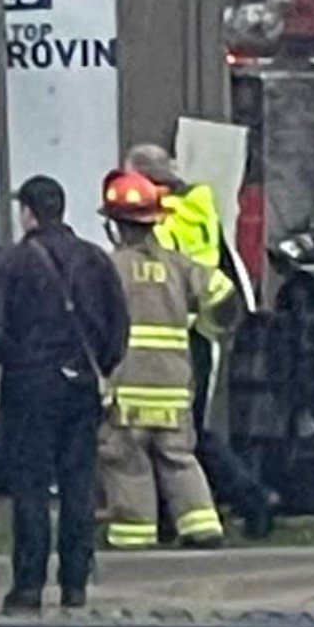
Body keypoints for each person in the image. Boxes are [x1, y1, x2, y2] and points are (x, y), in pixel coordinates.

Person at [0, 176, 128, 613]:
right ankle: (75, 583)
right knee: (79, 484)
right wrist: (102, 368)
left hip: (28, 386)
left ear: (28, 213)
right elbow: (119, 327)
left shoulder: (12, 263)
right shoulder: (96, 260)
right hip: (81, 386)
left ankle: (28, 586)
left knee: (31, 487)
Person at [122, 143, 280, 539]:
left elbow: (160, 273)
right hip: (195, 334)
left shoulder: (166, 220)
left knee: (181, 433)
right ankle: (182, 518)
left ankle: (251, 499)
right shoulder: (197, 207)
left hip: (174, 338)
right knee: (176, 431)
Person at [96, 168, 244, 549]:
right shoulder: (181, 265)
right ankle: (202, 527)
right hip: (174, 386)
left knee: (127, 460)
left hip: (128, 387)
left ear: (115, 226)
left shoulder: (109, 268)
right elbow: (225, 299)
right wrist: (208, 331)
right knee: (178, 456)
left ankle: (134, 535)